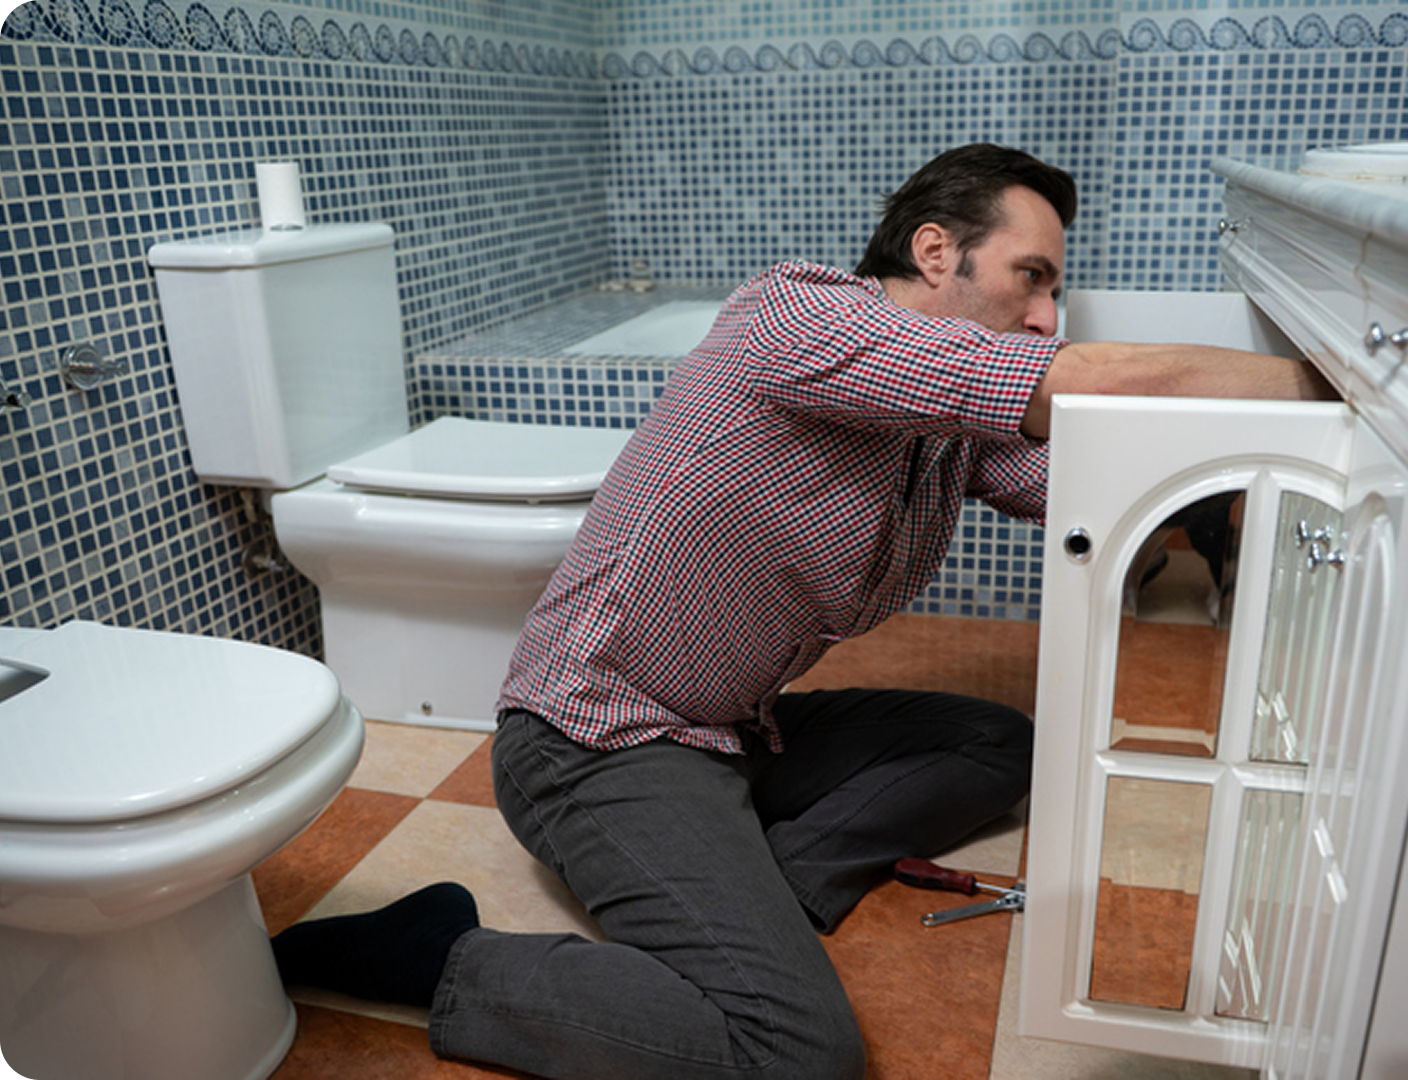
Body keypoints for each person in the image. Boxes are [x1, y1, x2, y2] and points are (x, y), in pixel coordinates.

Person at [271, 144, 1332, 1078]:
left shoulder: (944, 426)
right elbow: (1089, 381)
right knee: (795, 1052)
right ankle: (439, 955)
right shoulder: (797, 316)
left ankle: (754, 888)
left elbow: (1088, 484)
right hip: (594, 741)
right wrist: (1338, 387)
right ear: (933, 252)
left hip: (733, 730)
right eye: (1032, 277)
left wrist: (1239, 493)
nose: (1050, 312)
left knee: (996, 745)